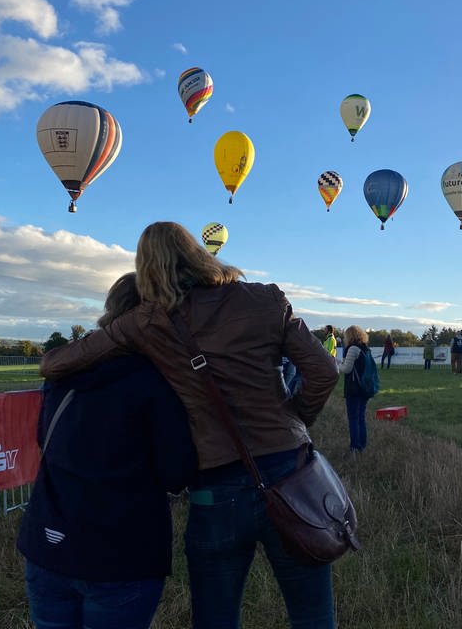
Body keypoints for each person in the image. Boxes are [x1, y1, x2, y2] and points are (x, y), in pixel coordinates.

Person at [40, 222, 340, 629]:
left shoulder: (147, 321)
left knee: (215, 617)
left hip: (215, 487)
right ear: (199, 253)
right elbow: (323, 370)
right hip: (292, 475)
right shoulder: (265, 299)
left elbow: (54, 364)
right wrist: (293, 421)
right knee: (312, 614)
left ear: (146, 268)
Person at [18, 273, 198, 629]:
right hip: (120, 555)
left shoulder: (62, 371)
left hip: (47, 544)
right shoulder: (157, 381)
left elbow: (46, 440)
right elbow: (177, 472)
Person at [338, 325, 372, 453]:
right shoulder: (364, 348)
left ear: (349, 336)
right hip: (364, 388)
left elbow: (346, 369)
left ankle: (354, 447)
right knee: (361, 417)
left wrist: (336, 364)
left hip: (354, 389)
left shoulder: (352, 348)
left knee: (353, 419)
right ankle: (362, 445)